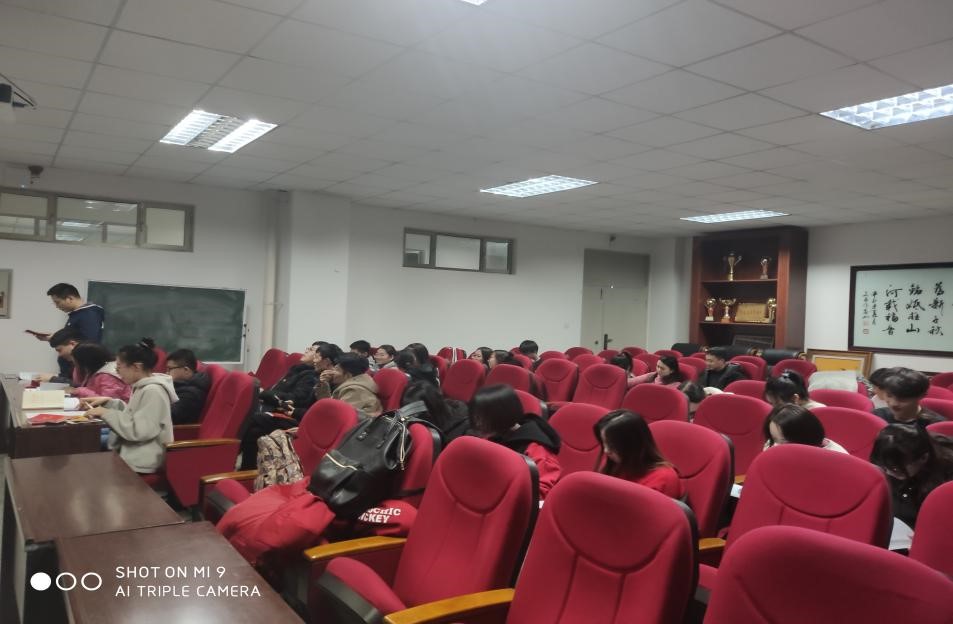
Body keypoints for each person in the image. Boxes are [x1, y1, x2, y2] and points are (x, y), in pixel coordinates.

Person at [82, 338, 176, 474]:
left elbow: (139, 431)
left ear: (136, 367)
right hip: (132, 451)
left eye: (119, 367)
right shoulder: (142, 386)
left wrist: (106, 413)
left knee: (88, 456)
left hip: (143, 459)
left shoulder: (153, 391)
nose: (117, 372)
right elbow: (132, 414)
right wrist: (108, 403)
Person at [469, 384, 561, 500]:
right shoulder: (492, 436)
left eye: (482, 418)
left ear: (501, 415)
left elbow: (539, 494)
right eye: (476, 417)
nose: (478, 423)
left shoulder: (537, 449)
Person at [870, 424, 953, 527]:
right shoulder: (895, 462)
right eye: (884, 467)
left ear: (923, 458)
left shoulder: (946, 483)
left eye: (895, 469)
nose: (888, 473)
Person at [593, 410, 684, 498]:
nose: (606, 450)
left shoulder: (664, 478)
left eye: (612, 445)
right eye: (604, 444)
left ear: (632, 445)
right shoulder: (616, 464)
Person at [314, 352, 383, 418]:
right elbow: (329, 406)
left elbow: (337, 416)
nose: (332, 372)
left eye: (336, 370)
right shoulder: (356, 381)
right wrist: (323, 384)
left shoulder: (355, 390)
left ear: (348, 375)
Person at [401, 381, 469, 444]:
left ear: (428, 413)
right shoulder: (438, 407)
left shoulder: (459, 431)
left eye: (413, 413)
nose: (408, 417)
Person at [873, 368, 943, 428]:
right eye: (889, 395)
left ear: (921, 396)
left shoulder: (936, 426)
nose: (893, 403)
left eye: (902, 398)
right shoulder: (877, 415)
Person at [762, 404, 847, 453]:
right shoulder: (772, 445)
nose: (776, 445)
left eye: (784, 441)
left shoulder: (837, 457)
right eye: (774, 439)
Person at [165, 349, 210, 425]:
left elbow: (168, 416)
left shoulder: (191, 394)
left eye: (170, 369)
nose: (166, 373)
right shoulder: (182, 385)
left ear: (186, 370)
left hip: (177, 430)